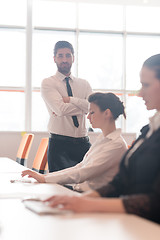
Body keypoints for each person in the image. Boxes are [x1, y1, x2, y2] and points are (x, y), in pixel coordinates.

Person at [42, 54, 160, 224]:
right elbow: (120, 183)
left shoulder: (118, 143)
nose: (140, 93)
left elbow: (155, 202)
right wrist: (81, 201)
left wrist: (87, 203)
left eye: (146, 85)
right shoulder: (148, 130)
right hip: (131, 222)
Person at [22, 92, 127, 192]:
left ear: (107, 113)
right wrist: (44, 177)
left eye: (92, 112)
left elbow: (83, 173)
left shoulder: (116, 145)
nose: (88, 116)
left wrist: (44, 179)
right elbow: (80, 166)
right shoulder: (103, 140)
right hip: (79, 191)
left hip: (92, 198)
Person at [41, 40, 92, 172]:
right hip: (59, 145)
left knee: (84, 188)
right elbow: (60, 109)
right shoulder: (48, 83)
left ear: (73, 58)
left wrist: (70, 99)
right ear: (54, 59)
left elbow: (92, 108)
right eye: (60, 56)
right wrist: (83, 107)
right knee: (58, 188)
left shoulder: (84, 84)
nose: (64, 59)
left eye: (68, 55)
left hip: (83, 144)